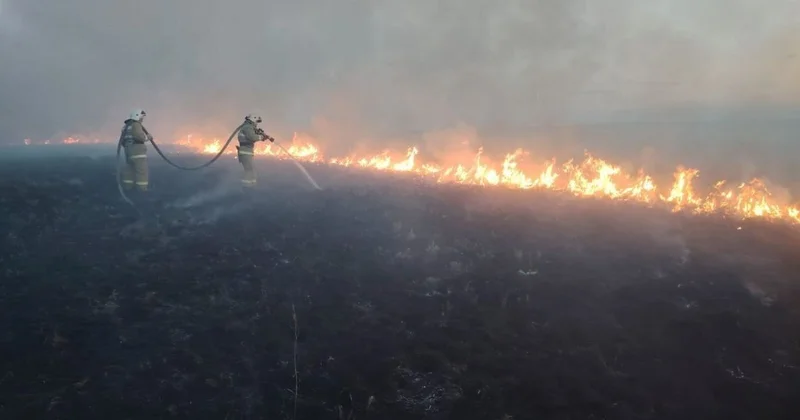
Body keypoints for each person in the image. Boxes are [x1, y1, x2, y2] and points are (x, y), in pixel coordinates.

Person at [236, 114, 274, 188]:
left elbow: (252, 135)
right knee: (249, 170)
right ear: (253, 119)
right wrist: (262, 137)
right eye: (256, 121)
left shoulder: (249, 127)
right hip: (245, 152)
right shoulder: (247, 127)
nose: (256, 124)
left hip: (247, 151)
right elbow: (252, 137)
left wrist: (261, 134)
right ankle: (246, 187)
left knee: (250, 170)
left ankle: (251, 186)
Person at [119, 109, 153, 192]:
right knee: (142, 171)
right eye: (141, 117)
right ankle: (142, 190)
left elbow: (123, 141)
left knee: (129, 170)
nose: (142, 120)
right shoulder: (136, 125)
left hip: (129, 152)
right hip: (138, 153)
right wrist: (148, 137)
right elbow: (140, 136)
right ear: (137, 116)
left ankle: (128, 187)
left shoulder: (126, 127)